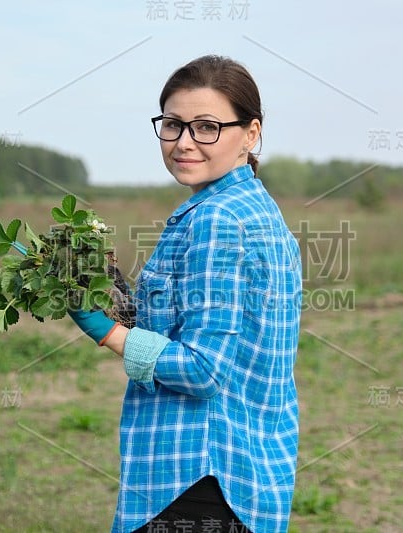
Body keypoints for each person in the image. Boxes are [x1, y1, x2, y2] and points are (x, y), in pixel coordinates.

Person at [68, 55, 302, 533]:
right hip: (246, 471)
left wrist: (106, 330)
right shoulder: (252, 208)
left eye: (207, 127)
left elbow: (203, 368)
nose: (184, 142)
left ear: (251, 134)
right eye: (173, 125)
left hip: (198, 479)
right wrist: (115, 292)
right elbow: (202, 328)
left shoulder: (216, 220)